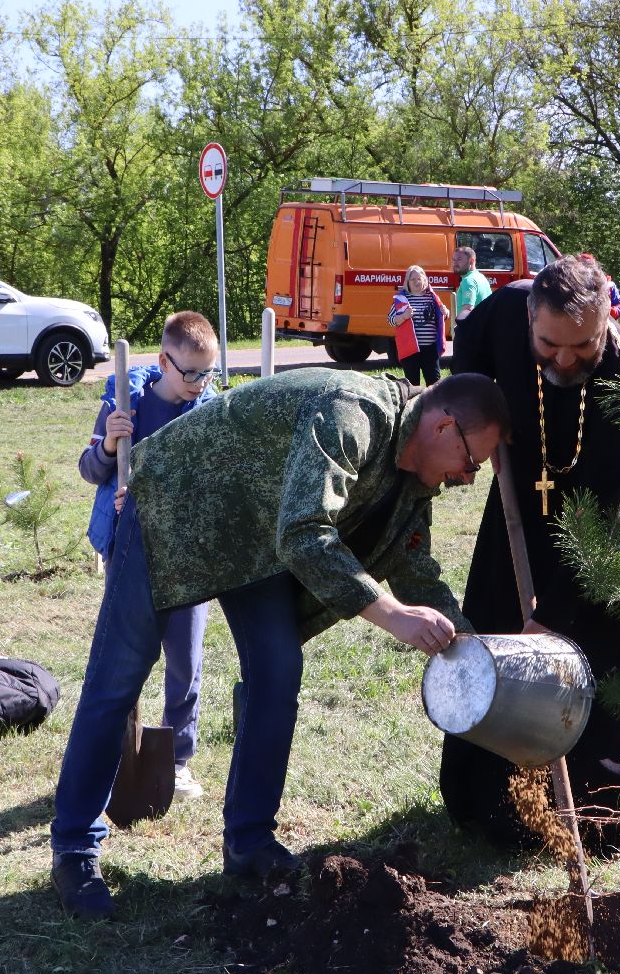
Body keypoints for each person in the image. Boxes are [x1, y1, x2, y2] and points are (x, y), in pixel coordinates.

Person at [49, 368, 511, 918]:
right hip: (178, 506)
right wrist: (392, 617)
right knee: (118, 679)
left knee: (277, 670)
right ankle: (75, 847)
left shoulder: (411, 481)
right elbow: (305, 532)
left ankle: (249, 841)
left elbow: (412, 560)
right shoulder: (352, 412)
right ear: (442, 426)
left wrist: (473, 650)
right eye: (471, 462)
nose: (467, 477)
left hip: (253, 545)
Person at [441, 254, 620, 848]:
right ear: (531, 318)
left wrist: (551, 619)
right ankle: (487, 797)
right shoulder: (506, 310)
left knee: (597, 650)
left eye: (581, 345)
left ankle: (596, 804)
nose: (564, 359)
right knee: (497, 627)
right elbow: (468, 344)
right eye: (548, 344)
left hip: (607, 533)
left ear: (605, 324)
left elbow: (607, 516)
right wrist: (486, 412)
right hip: (520, 503)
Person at [79, 310, 218, 800]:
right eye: (191, 373)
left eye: (209, 373)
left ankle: (178, 759)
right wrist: (113, 446)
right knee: (128, 657)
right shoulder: (124, 405)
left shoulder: (207, 412)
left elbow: (214, 485)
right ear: (163, 360)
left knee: (185, 658)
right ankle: (121, 753)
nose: (200, 383)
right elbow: (90, 469)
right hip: (131, 552)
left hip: (188, 555)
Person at [389, 264, 448, 385]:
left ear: (425, 280)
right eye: (413, 279)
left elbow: (441, 316)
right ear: (408, 282)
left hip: (430, 348)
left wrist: (446, 313)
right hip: (410, 350)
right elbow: (390, 320)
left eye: (419, 279)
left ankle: (432, 404)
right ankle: (414, 404)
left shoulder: (432, 297)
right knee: (412, 384)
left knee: (434, 383)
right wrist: (404, 316)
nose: (416, 282)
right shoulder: (401, 299)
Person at [452, 245, 492, 323]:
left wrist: (458, 329)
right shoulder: (481, 277)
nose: (455, 263)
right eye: (454, 260)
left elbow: (467, 310)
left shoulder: (468, 281)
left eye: (459, 259)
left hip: (471, 331)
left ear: (472, 261)